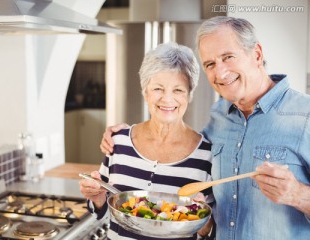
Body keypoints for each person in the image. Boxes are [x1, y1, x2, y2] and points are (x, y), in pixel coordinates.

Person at [99, 16, 310, 240]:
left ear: (257, 54)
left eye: (228, 57)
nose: (220, 73)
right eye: (210, 64)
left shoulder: (304, 115)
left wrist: (298, 195)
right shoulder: (217, 118)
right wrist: (123, 134)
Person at [79, 42, 215, 240]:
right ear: (145, 92)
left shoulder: (206, 155)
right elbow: (102, 213)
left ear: (189, 95)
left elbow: (209, 233)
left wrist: (201, 218)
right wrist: (98, 198)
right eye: (158, 88)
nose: (167, 99)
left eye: (178, 90)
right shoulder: (119, 142)